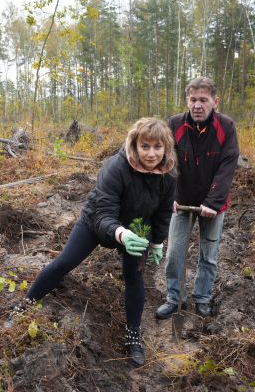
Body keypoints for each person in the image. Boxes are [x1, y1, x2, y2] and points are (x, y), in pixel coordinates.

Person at [11, 117, 178, 367]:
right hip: (96, 222)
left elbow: (164, 212)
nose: (151, 153)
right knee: (64, 263)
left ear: (166, 148)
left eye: (157, 147)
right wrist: (121, 234)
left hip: (137, 226)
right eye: (145, 146)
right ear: (135, 145)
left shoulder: (169, 174)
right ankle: (24, 305)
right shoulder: (116, 167)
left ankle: (133, 336)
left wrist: (157, 242)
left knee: (134, 277)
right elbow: (103, 214)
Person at [155, 77, 239, 320]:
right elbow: (166, 162)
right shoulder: (175, 124)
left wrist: (212, 203)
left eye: (203, 100)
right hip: (181, 201)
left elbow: (227, 166)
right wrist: (169, 196)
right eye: (193, 100)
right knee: (174, 253)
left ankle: (202, 298)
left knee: (208, 255)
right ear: (187, 101)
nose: (197, 105)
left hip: (213, 205)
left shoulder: (226, 127)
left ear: (215, 101)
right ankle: (174, 298)